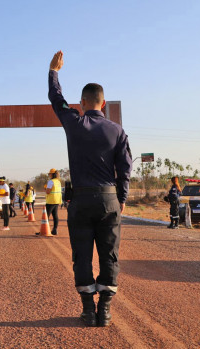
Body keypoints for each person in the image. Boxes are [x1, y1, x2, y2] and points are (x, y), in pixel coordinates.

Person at [48, 51, 132, 327]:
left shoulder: (74, 122)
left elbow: (56, 100)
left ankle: (87, 310)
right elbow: (126, 168)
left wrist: (54, 72)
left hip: (81, 201)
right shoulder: (117, 131)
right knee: (109, 255)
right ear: (104, 103)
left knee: (81, 256)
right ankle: (105, 311)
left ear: (82, 103)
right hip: (108, 200)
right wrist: (120, 199)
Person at [44, 168, 62, 236]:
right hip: (57, 200)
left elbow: (48, 192)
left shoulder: (51, 181)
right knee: (55, 215)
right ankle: (55, 230)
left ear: (52, 174)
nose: (49, 175)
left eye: (50, 174)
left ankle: (45, 230)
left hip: (51, 200)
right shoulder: (58, 181)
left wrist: (45, 189)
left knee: (46, 216)